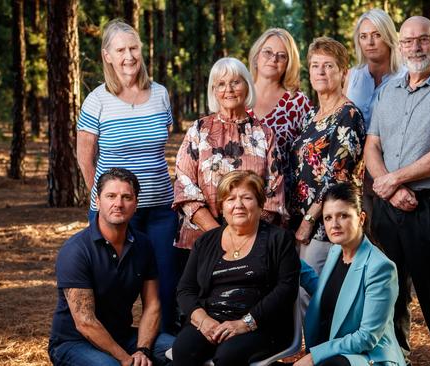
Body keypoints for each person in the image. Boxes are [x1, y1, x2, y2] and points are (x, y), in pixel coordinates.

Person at [364, 16, 430, 365]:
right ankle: (396, 360)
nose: (416, 47)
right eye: (408, 41)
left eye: (423, 40)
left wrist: (394, 180)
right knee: (391, 296)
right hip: (388, 208)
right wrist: (389, 187)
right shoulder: (387, 92)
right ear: (400, 47)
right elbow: (372, 147)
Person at [75, 20, 182, 334]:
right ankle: (110, 343)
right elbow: (85, 156)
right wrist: (101, 199)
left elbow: (162, 143)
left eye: (133, 48)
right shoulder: (97, 100)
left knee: (165, 279)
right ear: (107, 55)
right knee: (111, 283)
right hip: (116, 211)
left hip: (161, 208)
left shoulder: (160, 94)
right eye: (120, 49)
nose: (129, 56)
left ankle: (163, 343)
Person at [172, 170, 300, 365]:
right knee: (183, 350)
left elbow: (286, 289)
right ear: (222, 207)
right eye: (230, 199)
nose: (238, 205)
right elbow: (185, 290)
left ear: (260, 204)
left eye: (247, 198)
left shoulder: (279, 239)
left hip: (262, 324)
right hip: (211, 320)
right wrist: (203, 320)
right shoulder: (206, 241)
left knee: (228, 356)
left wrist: (245, 323)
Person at [48, 168, 174, 366]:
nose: (119, 204)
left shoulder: (143, 244)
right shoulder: (76, 250)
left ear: (136, 204)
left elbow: (152, 304)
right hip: (74, 343)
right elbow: (85, 322)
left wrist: (142, 350)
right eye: (111, 196)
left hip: (123, 337)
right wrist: (126, 359)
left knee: (180, 351)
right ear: (97, 201)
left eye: (126, 197)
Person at [173, 57, 286, 250]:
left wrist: (243, 235)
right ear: (213, 91)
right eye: (221, 84)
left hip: (252, 241)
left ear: (247, 86)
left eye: (235, 82)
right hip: (202, 239)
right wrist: (219, 235)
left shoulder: (264, 134)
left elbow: (274, 194)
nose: (229, 89)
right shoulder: (199, 130)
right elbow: (185, 186)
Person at [296, 183, 406, 366]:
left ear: (361, 218)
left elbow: (366, 337)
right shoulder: (336, 251)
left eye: (343, 216)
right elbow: (335, 294)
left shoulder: (380, 268)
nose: (335, 224)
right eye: (328, 218)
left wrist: (315, 355)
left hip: (370, 357)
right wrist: (292, 263)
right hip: (339, 352)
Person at [290, 37, 366, 276]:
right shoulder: (311, 115)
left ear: (343, 73)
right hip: (299, 218)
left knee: (311, 295)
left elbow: (337, 177)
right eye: (315, 65)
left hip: (325, 224)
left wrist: (309, 221)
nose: (320, 71)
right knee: (298, 294)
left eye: (329, 65)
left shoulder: (348, 115)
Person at [344, 9, 403, 243]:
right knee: (362, 241)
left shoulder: (405, 77)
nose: (369, 42)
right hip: (356, 177)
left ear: (388, 36)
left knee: (393, 245)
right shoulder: (352, 76)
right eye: (363, 36)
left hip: (393, 174)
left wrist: (389, 178)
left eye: (376, 35)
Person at [247, 28, 311, 195]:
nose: (273, 59)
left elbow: (308, 158)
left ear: (288, 63)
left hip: (283, 201)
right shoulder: (237, 96)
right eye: (268, 52)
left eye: (281, 56)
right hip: (237, 201)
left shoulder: (297, 103)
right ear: (256, 56)